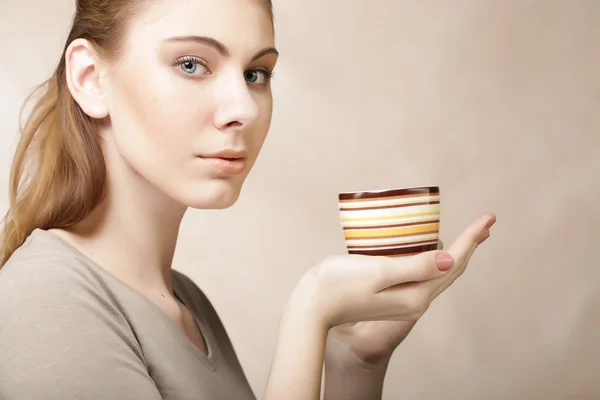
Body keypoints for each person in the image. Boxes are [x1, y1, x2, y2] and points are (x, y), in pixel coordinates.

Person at [0, 0, 496, 399]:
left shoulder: (187, 303)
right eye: (191, 64)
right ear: (90, 79)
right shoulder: (44, 300)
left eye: (257, 73)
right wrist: (311, 310)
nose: (242, 108)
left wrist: (353, 362)